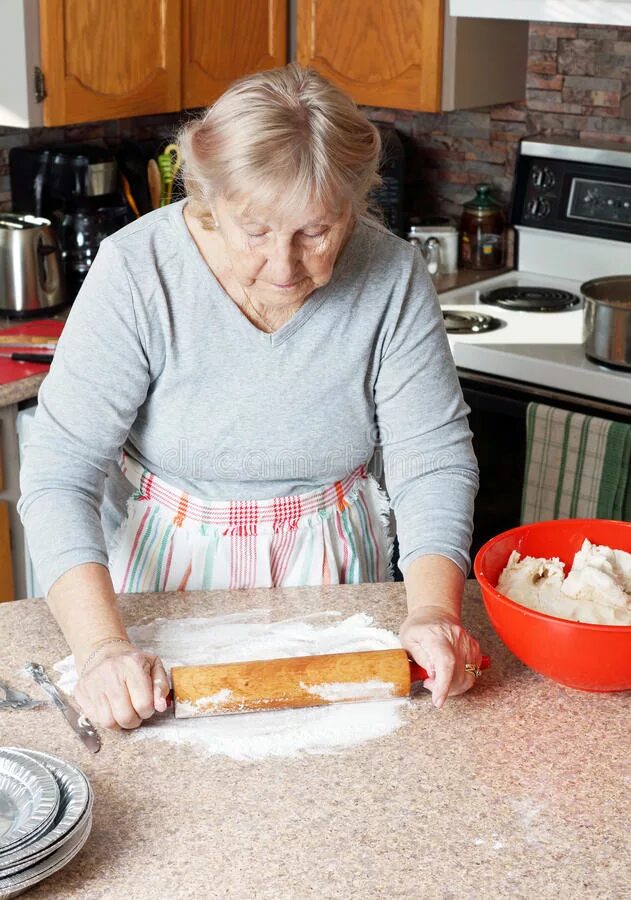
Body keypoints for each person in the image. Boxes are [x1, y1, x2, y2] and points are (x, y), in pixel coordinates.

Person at [18, 63, 482, 731]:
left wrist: (433, 612)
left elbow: (431, 460)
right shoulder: (139, 271)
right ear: (208, 199)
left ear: (354, 203)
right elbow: (61, 474)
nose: (285, 267)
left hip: (339, 573)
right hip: (166, 579)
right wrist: (102, 649)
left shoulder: (390, 273)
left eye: (317, 231)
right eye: (256, 231)